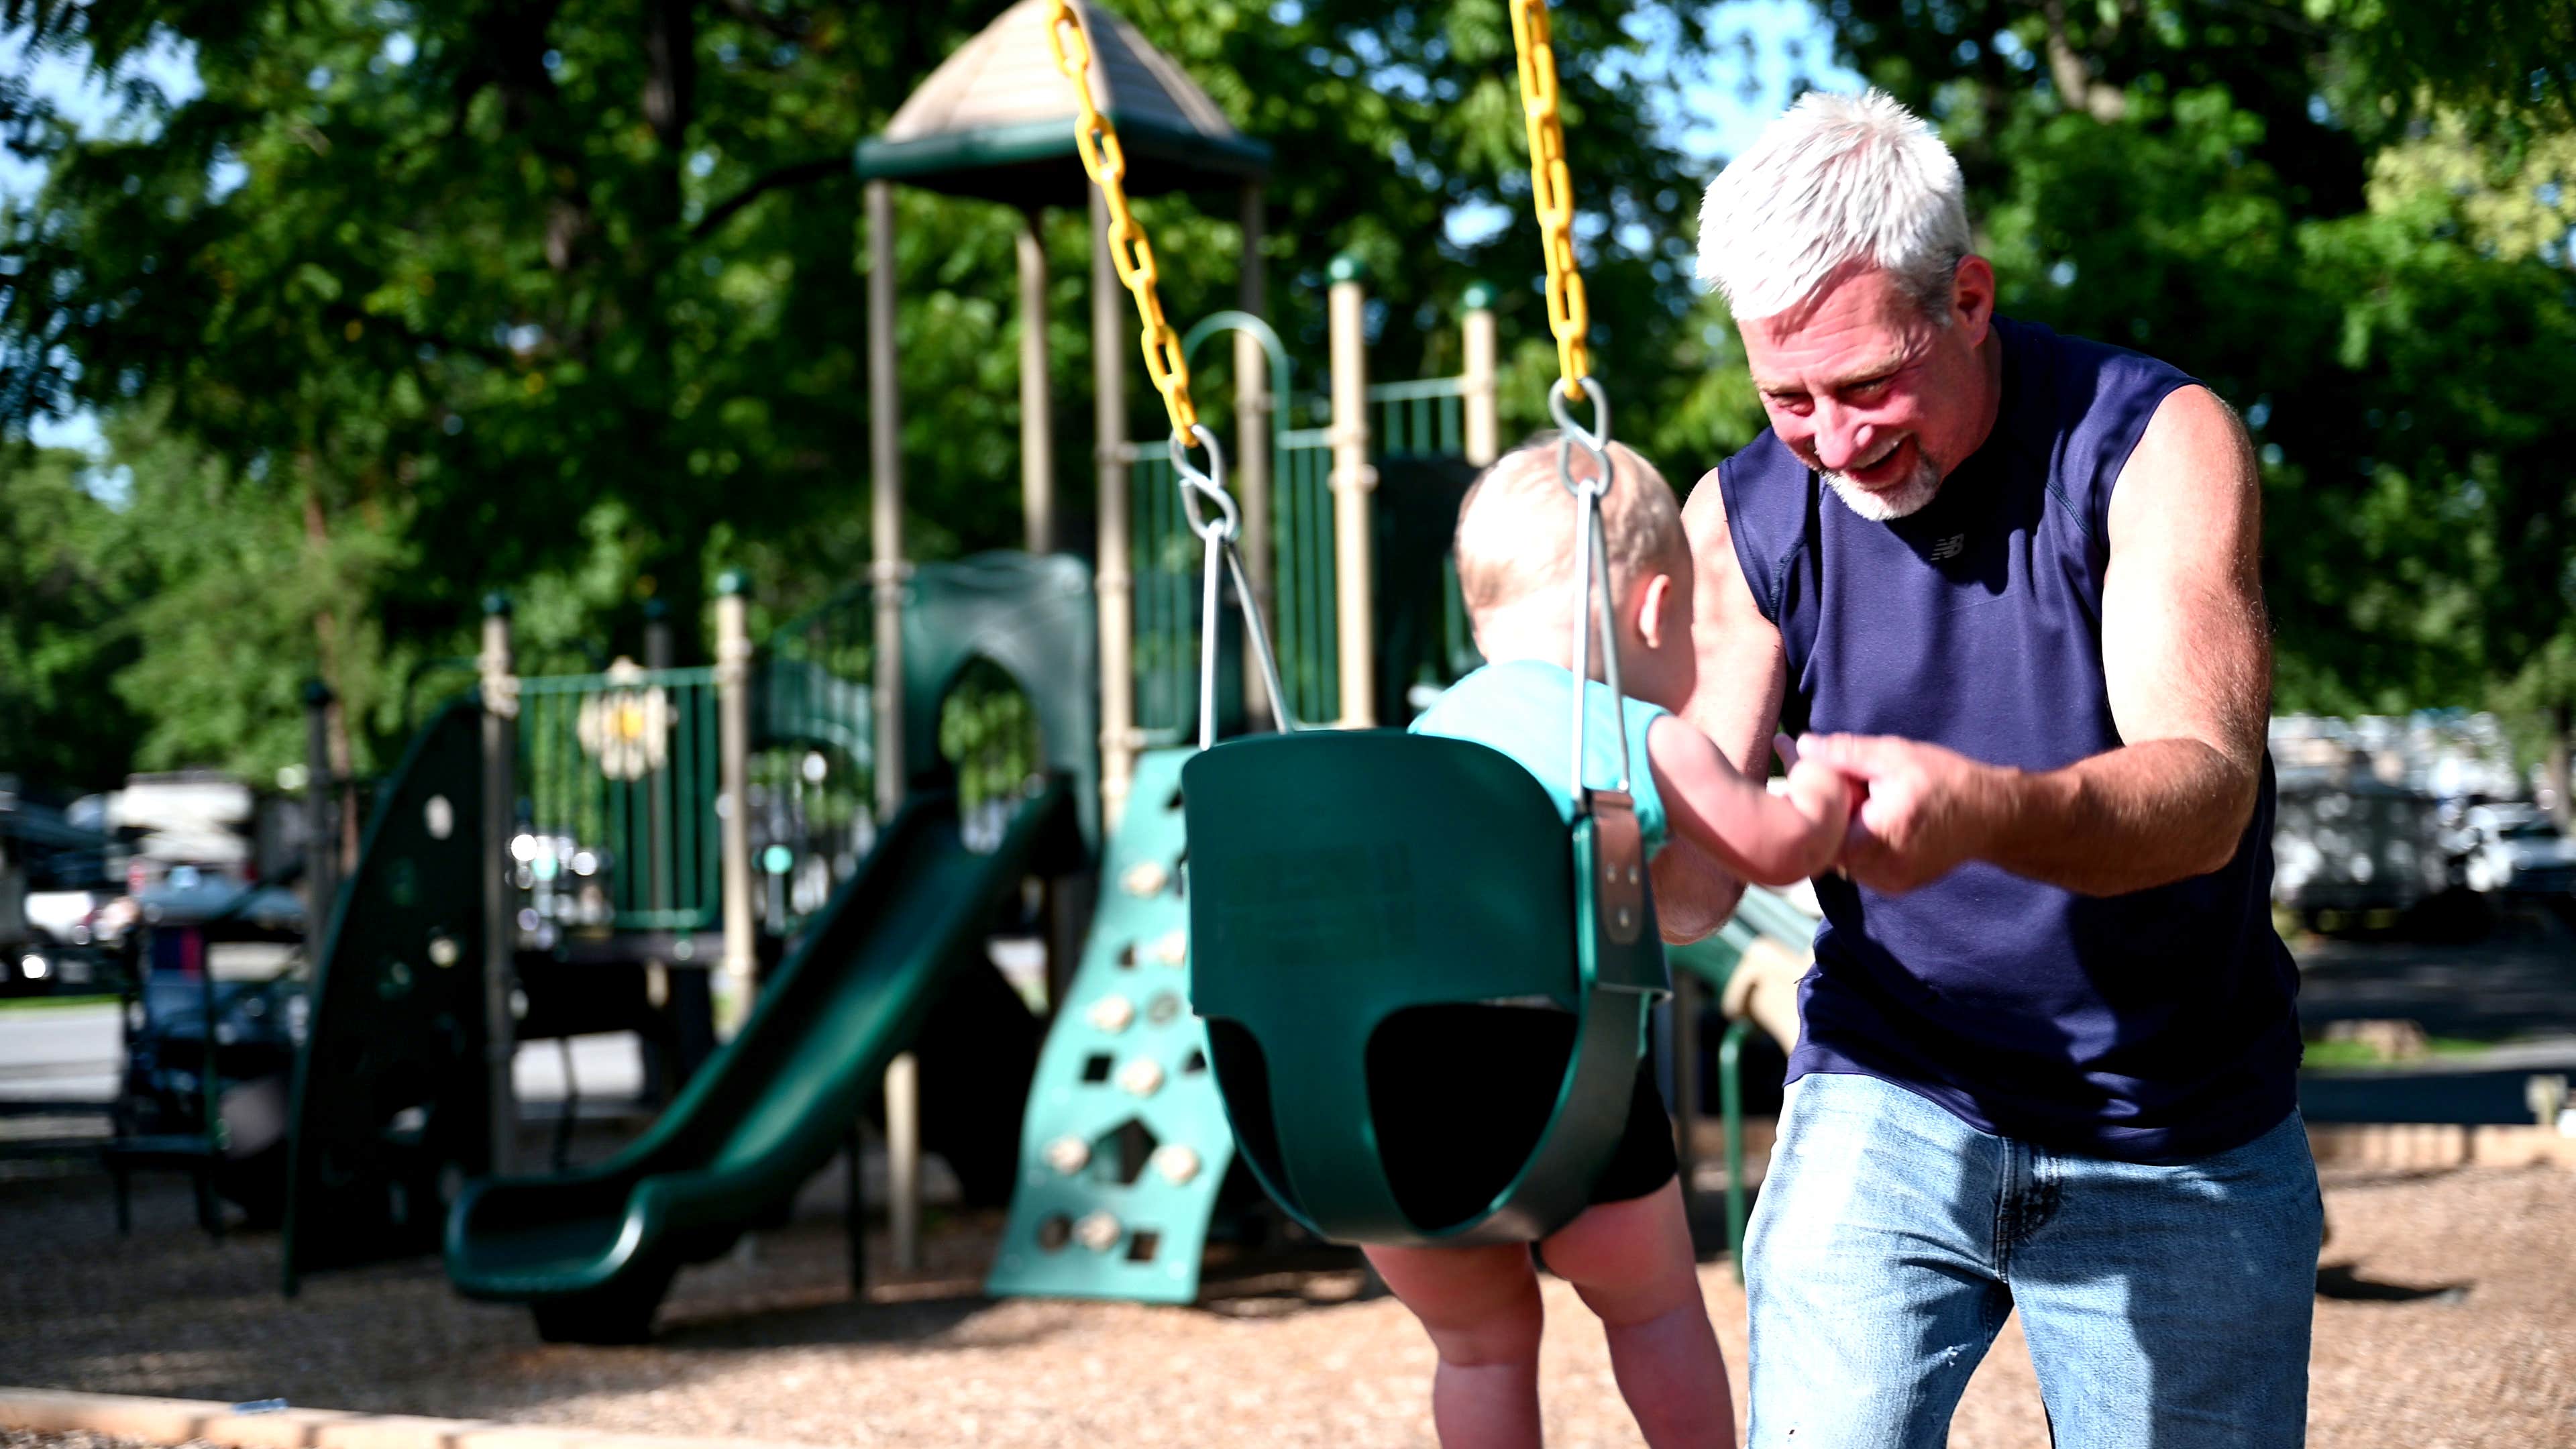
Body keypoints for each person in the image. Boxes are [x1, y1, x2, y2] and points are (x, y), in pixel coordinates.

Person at [1656, 90, 2318, 1446]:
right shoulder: (1738, 514)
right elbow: (1691, 891)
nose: (1836, 445)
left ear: (1967, 297)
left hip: (2172, 1111)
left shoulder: (2154, 443)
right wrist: (1563, 829)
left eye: (1866, 386)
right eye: (1788, 398)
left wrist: (1985, 816)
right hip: (1892, 1085)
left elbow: (2203, 792)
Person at [1373, 435, 1853, 1449]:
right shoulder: (1633, 731)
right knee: (1654, 1308)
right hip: (1565, 1098)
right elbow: (1767, 849)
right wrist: (1816, 790)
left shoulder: (1422, 748)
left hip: (1395, 1103)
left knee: (1481, 1349)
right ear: (1655, 611)